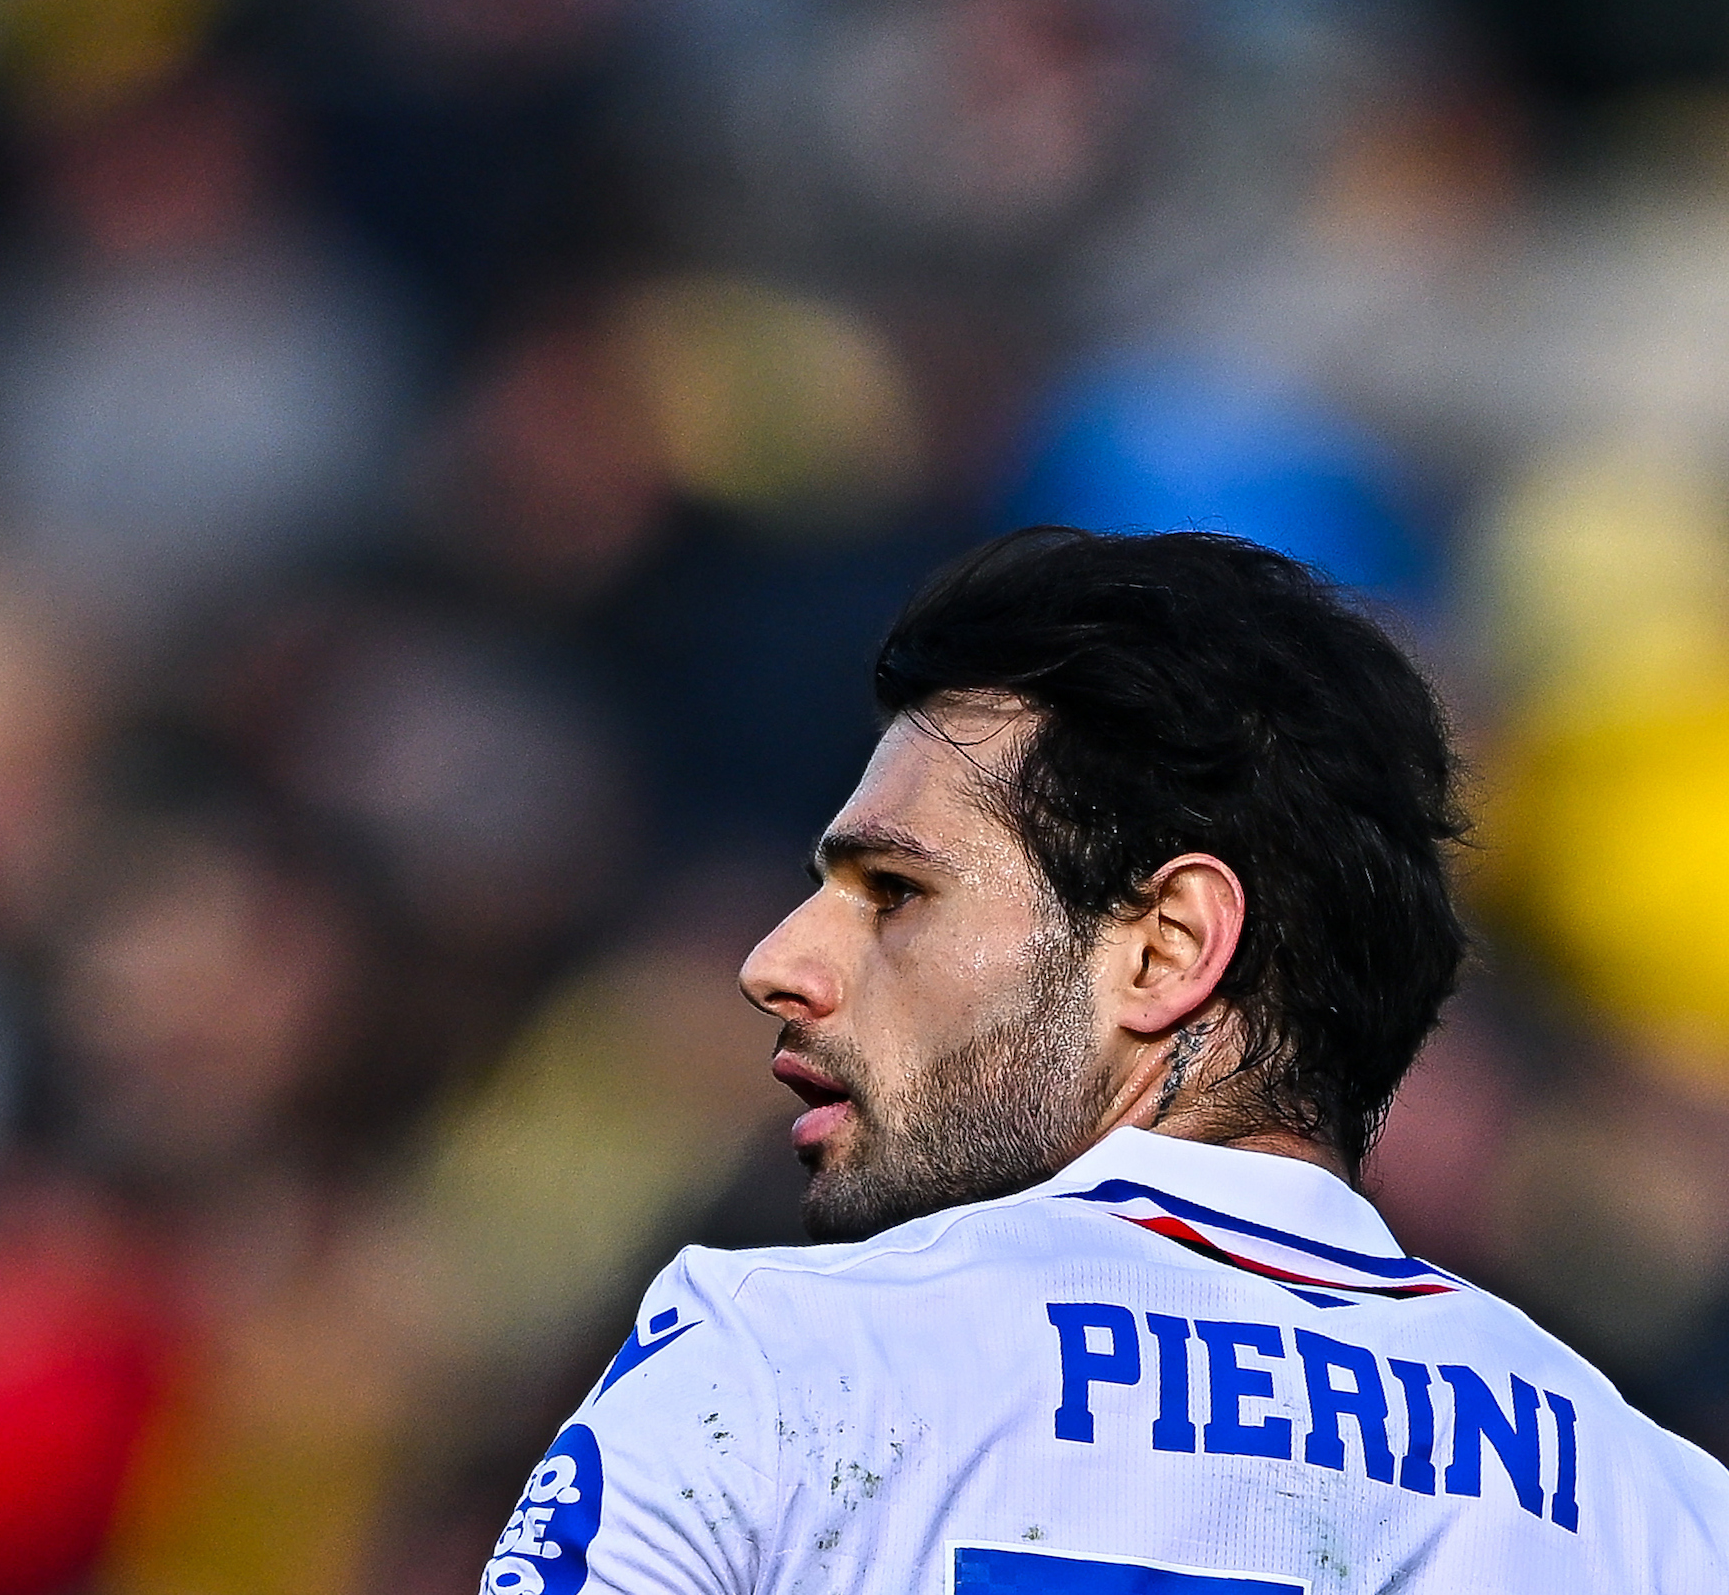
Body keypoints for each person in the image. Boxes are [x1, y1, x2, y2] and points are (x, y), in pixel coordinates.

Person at [478, 527, 1729, 1594]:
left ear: (1167, 945)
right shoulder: (1664, 1514)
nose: (776, 960)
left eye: (896, 888)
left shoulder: (772, 1365)